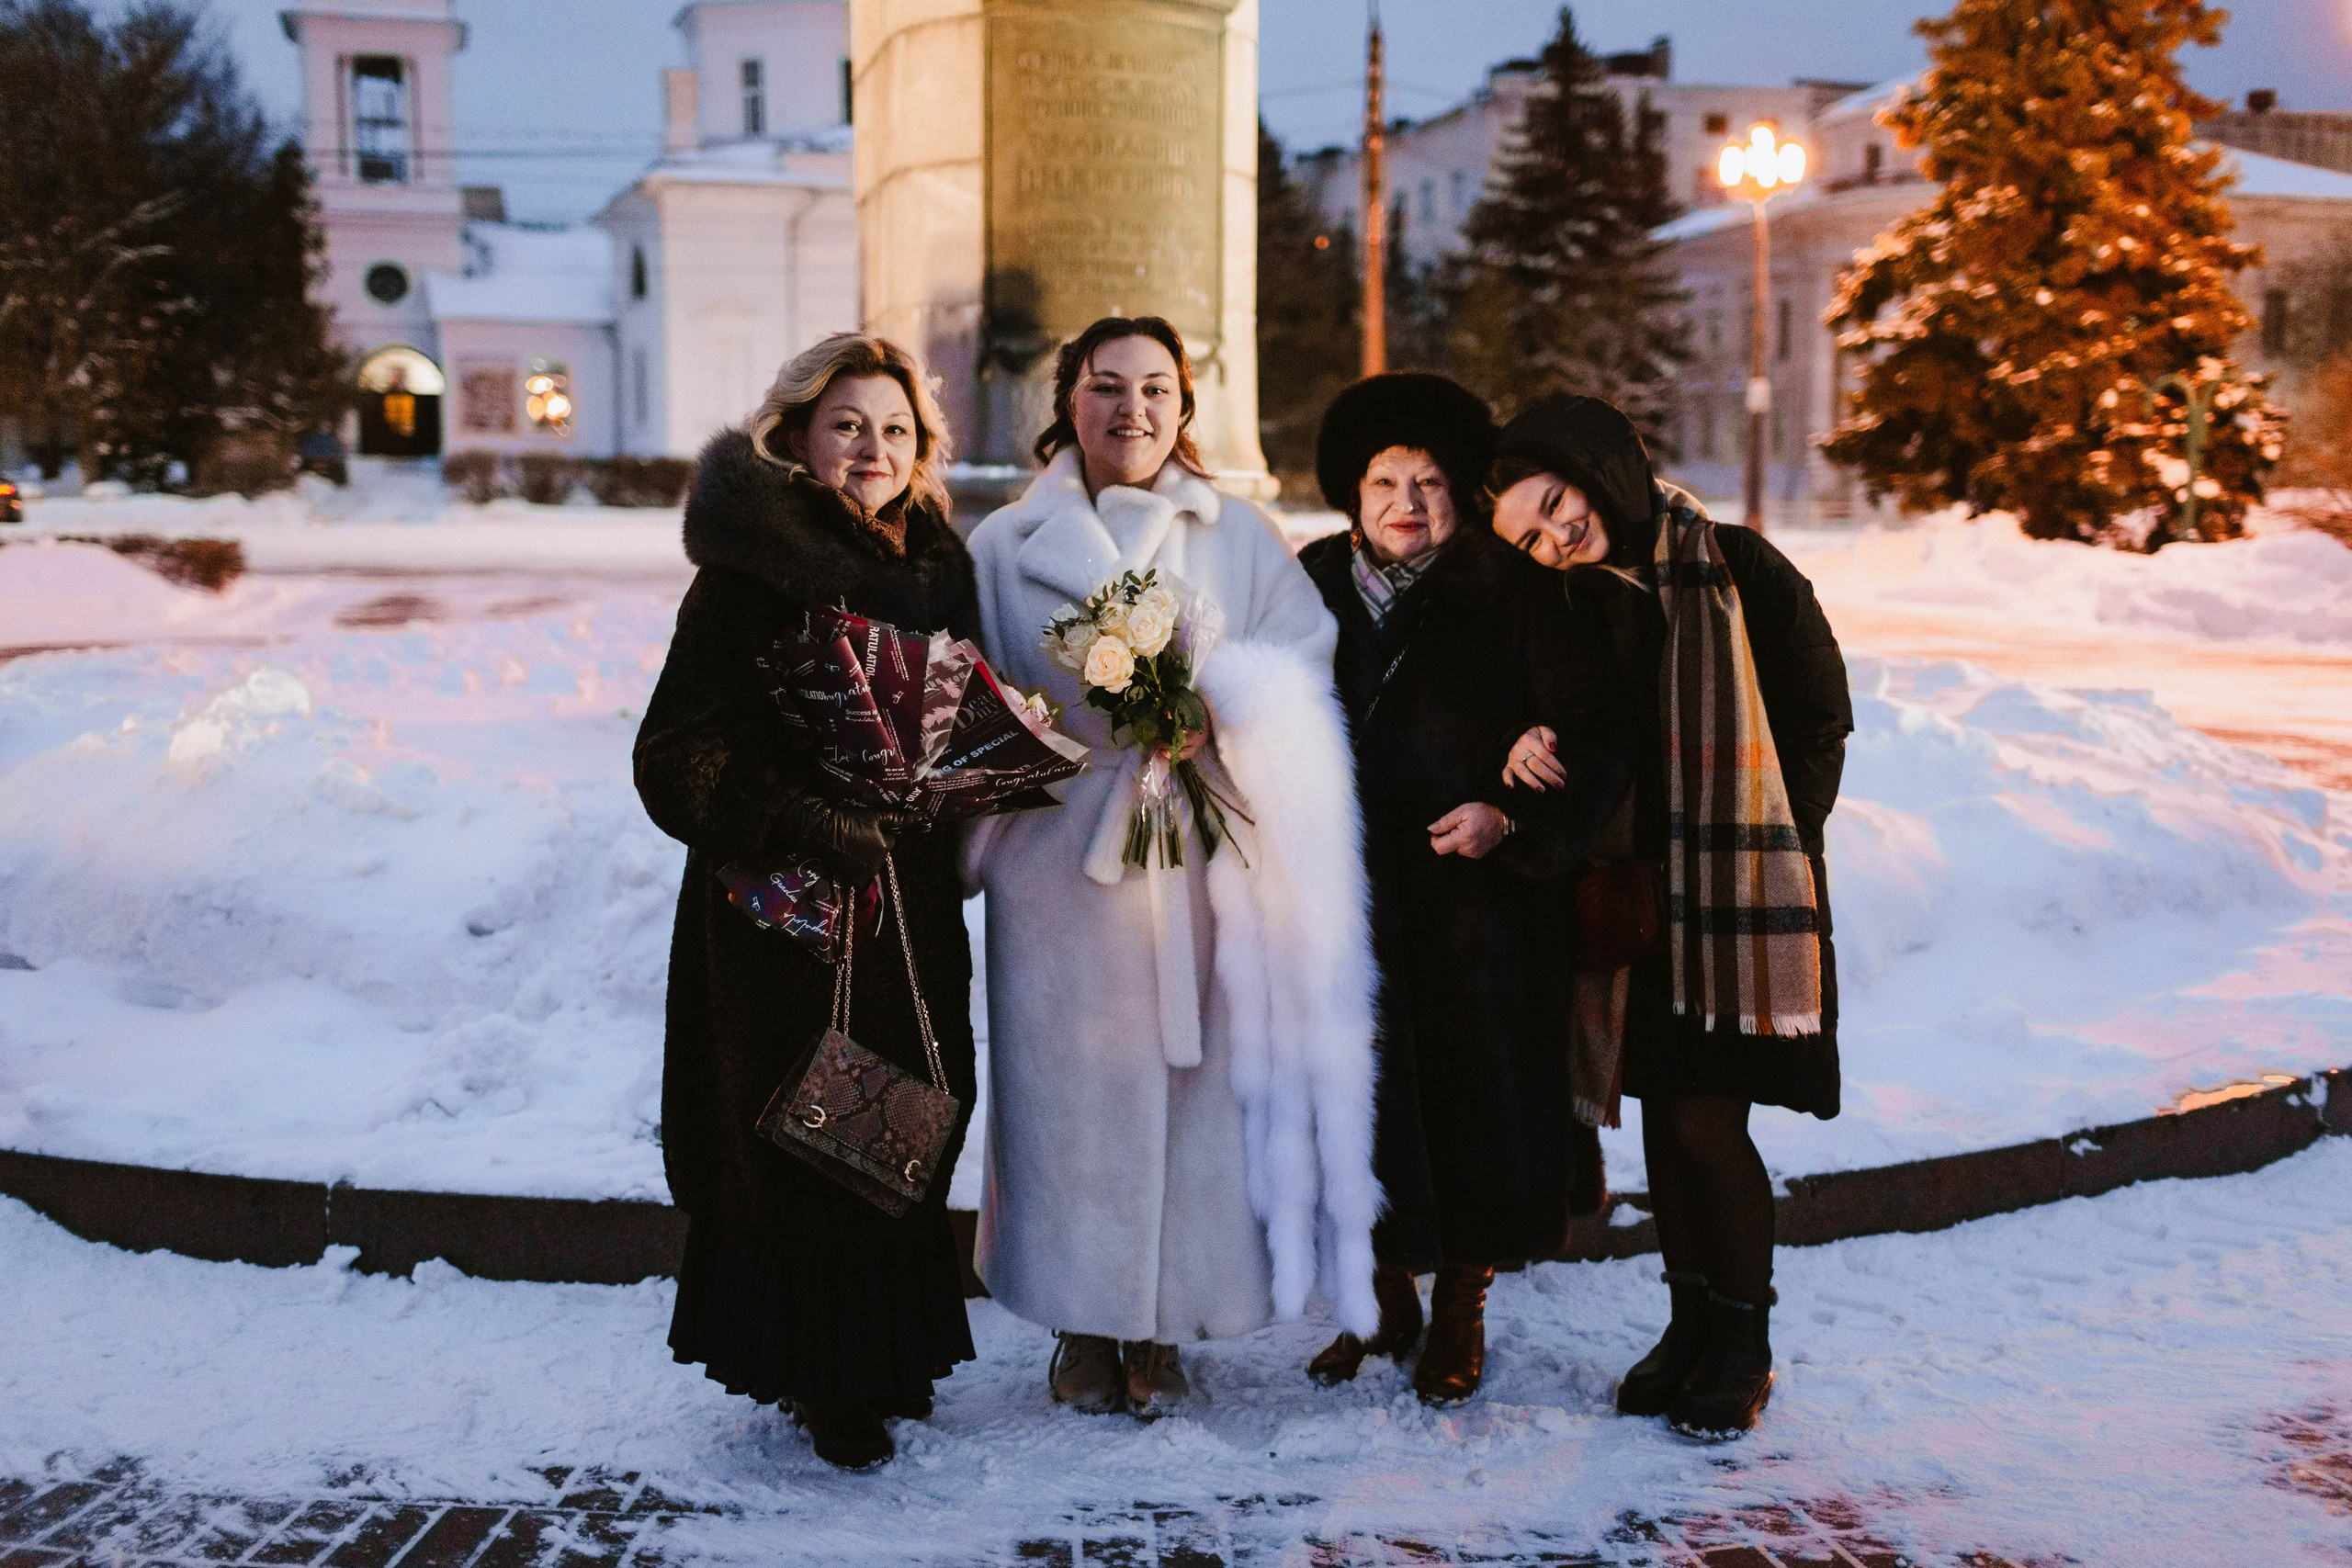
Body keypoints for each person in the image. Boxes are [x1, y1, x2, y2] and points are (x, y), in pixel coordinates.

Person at [963, 316, 1383, 1418]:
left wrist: (1214, 707)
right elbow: (973, 693)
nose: (1132, 409)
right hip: (1062, 859)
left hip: (1200, 854)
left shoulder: (1235, 531)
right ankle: (1082, 1318)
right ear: (1069, 403)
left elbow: (1299, 659)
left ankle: (1170, 1320)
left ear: (1184, 408)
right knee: (1067, 1095)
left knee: (1196, 1096)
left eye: (1156, 388)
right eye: (1106, 387)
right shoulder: (1003, 545)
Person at [634, 333, 981, 1472]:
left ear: (920, 448)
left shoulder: (940, 569)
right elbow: (673, 756)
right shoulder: (748, 573)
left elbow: (959, 720)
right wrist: (801, 816)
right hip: (781, 915)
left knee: (907, 1110)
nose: (870, 447)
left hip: (907, 910)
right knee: (805, 1130)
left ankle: (888, 1350)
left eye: (892, 428)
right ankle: (825, 1377)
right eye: (845, 425)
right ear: (796, 436)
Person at [1489, 393, 1850, 1439]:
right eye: (1529, 536)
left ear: (1598, 469)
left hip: (1739, 901)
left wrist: (1762, 839)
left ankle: (1743, 1338)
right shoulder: (1570, 607)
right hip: (1636, 918)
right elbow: (1578, 732)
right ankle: (1688, 1326)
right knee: (1662, 1126)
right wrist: (1528, 744)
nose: (1556, 536)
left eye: (1555, 504)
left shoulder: (1737, 566)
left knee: (1706, 1123)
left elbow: (1820, 715)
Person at [1294, 375, 1623, 1406]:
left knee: (1475, 1105)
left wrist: (1507, 812)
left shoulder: (1514, 590)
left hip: (1476, 913)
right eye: (1385, 480)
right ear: (1352, 496)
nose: (1408, 501)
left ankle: (1461, 1306)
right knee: (1358, 1104)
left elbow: (1592, 735)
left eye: (1430, 481)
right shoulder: (1307, 585)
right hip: (1345, 900)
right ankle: (1384, 1296)